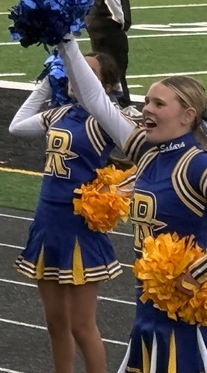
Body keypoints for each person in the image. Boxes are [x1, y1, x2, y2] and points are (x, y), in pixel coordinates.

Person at [58, 36, 207, 373]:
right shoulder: (146, 150)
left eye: (158, 104)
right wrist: (66, 40)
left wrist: (196, 274)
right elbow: (96, 100)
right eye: (146, 101)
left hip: (190, 325)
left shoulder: (197, 165)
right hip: (148, 315)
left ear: (187, 115)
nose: (146, 109)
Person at [9, 51, 124, 373]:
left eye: (85, 72)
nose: (75, 75)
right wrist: (49, 80)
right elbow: (17, 127)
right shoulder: (59, 114)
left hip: (79, 225)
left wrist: (111, 191)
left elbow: (141, 159)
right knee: (55, 322)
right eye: (72, 69)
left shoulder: (107, 118)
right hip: (47, 222)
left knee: (81, 325)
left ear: (106, 83)